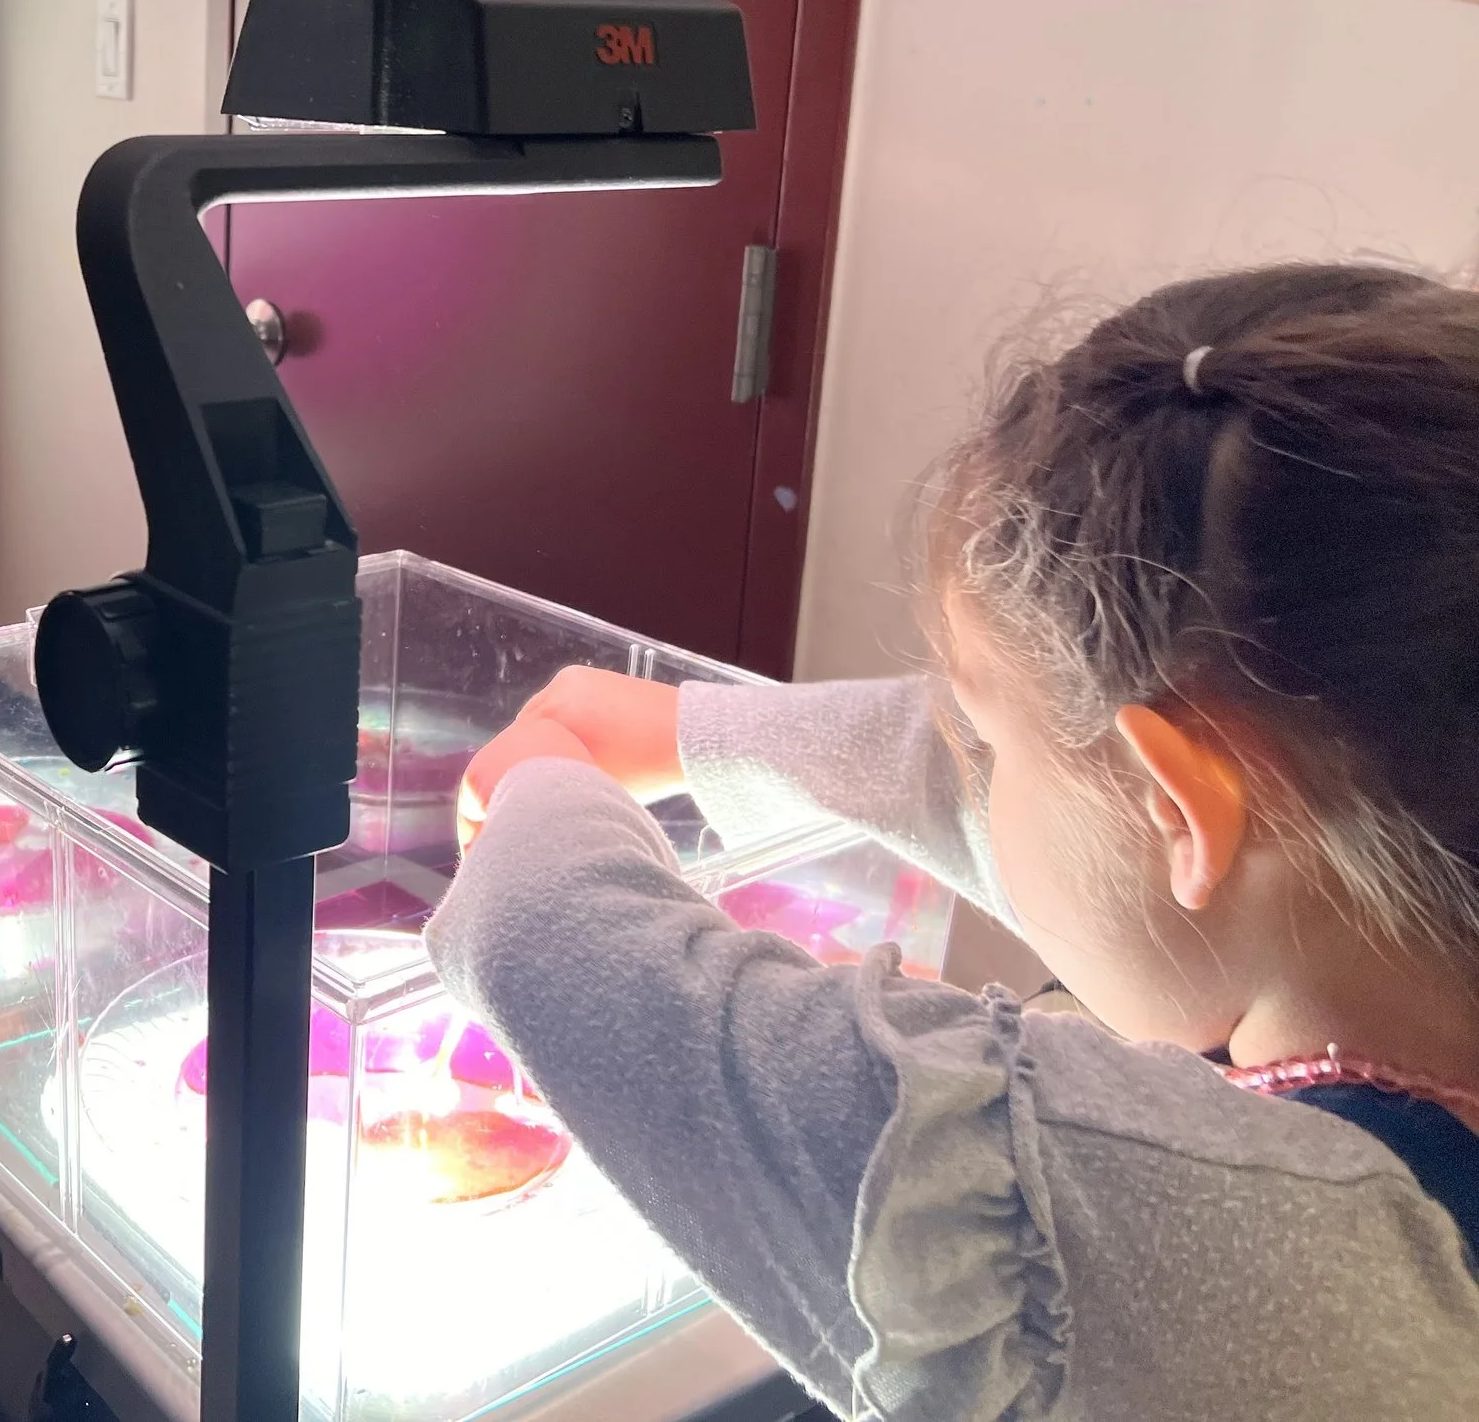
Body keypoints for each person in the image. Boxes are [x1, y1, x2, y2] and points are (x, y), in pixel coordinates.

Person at [438, 264, 1479, 1418]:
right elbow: (1119, 827)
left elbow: (540, 938)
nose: (969, 771)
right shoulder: (1382, 924)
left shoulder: (1201, 1231)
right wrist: (696, 734)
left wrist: (541, 784)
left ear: (1177, 807)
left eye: (986, 738)